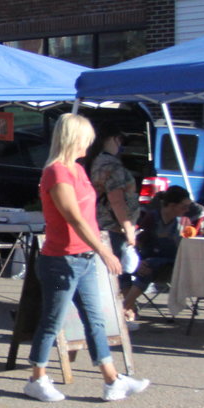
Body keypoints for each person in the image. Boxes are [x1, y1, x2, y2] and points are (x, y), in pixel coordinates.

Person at [22, 113, 150, 402]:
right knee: (53, 321)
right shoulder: (56, 172)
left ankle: (111, 379)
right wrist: (106, 250)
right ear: (74, 139)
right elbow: (73, 217)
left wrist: (100, 248)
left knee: (96, 319)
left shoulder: (78, 170)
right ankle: (37, 378)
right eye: (86, 139)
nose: (88, 145)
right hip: (61, 259)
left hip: (85, 256)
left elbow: (87, 217)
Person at [86, 122, 142, 323]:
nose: (121, 145)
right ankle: (119, 312)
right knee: (118, 271)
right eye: (120, 140)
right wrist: (129, 228)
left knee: (108, 271)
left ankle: (120, 310)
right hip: (113, 225)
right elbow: (116, 199)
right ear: (111, 139)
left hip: (98, 222)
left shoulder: (96, 161)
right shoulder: (112, 166)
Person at [122, 186, 204, 315]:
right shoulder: (152, 218)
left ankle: (125, 307)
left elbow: (190, 249)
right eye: (184, 207)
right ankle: (129, 306)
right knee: (124, 267)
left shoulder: (184, 222)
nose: (187, 210)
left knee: (150, 265)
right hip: (149, 260)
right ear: (172, 205)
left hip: (174, 265)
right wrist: (139, 262)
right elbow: (139, 243)